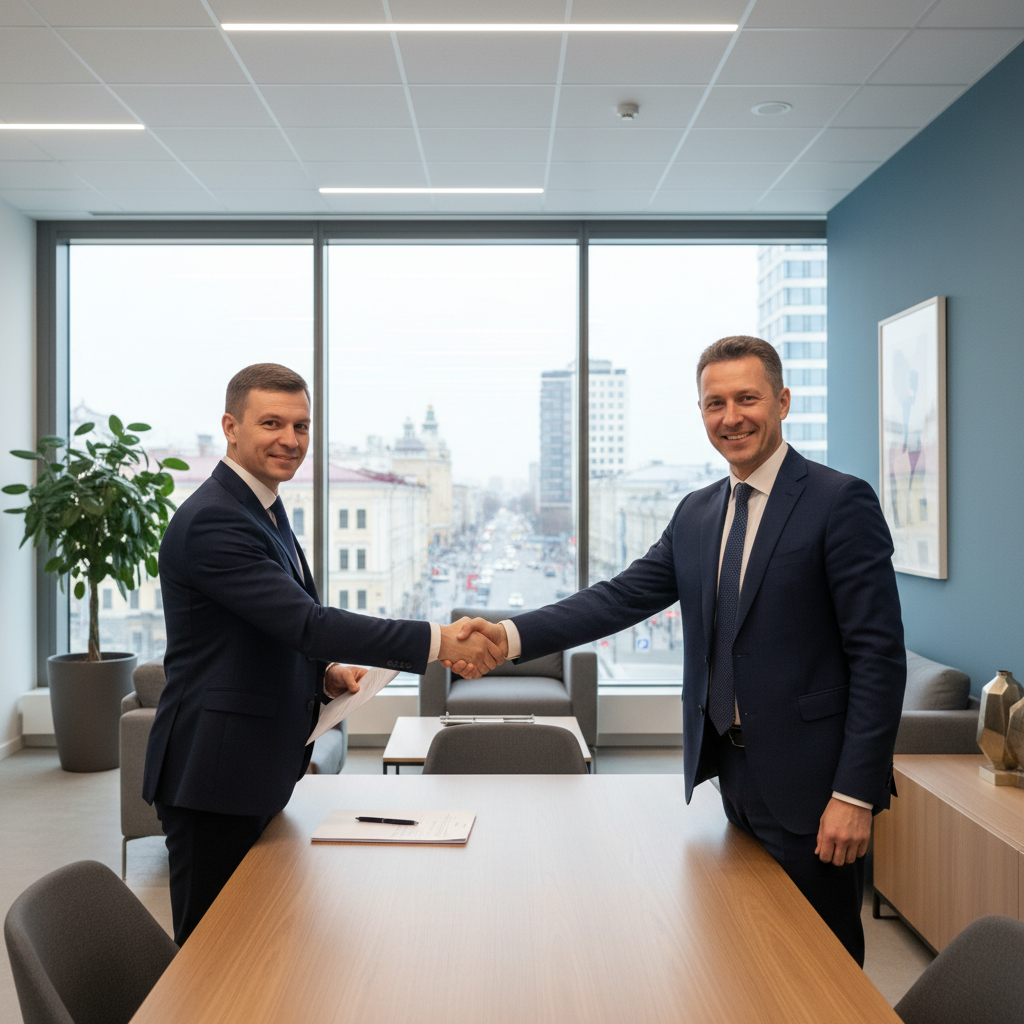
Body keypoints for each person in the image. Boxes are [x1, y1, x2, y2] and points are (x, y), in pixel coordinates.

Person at [455, 336, 906, 965]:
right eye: (714, 403)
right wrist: (507, 638)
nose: (731, 417)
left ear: (782, 400)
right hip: (732, 770)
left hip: (816, 785)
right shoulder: (697, 513)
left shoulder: (839, 501)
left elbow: (878, 658)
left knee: (821, 959)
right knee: (748, 943)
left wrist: (855, 795)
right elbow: (617, 599)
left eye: (747, 398)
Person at [143, 363, 503, 945]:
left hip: (249, 764)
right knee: (213, 951)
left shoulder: (262, 505)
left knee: (257, 937)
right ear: (231, 428)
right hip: (213, 774)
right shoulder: (214, 518)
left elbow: (268, 627)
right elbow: (307, 622)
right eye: (272, 423)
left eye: (302, 426)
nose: (291, 439)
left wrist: (323, 671)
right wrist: (438, 640)